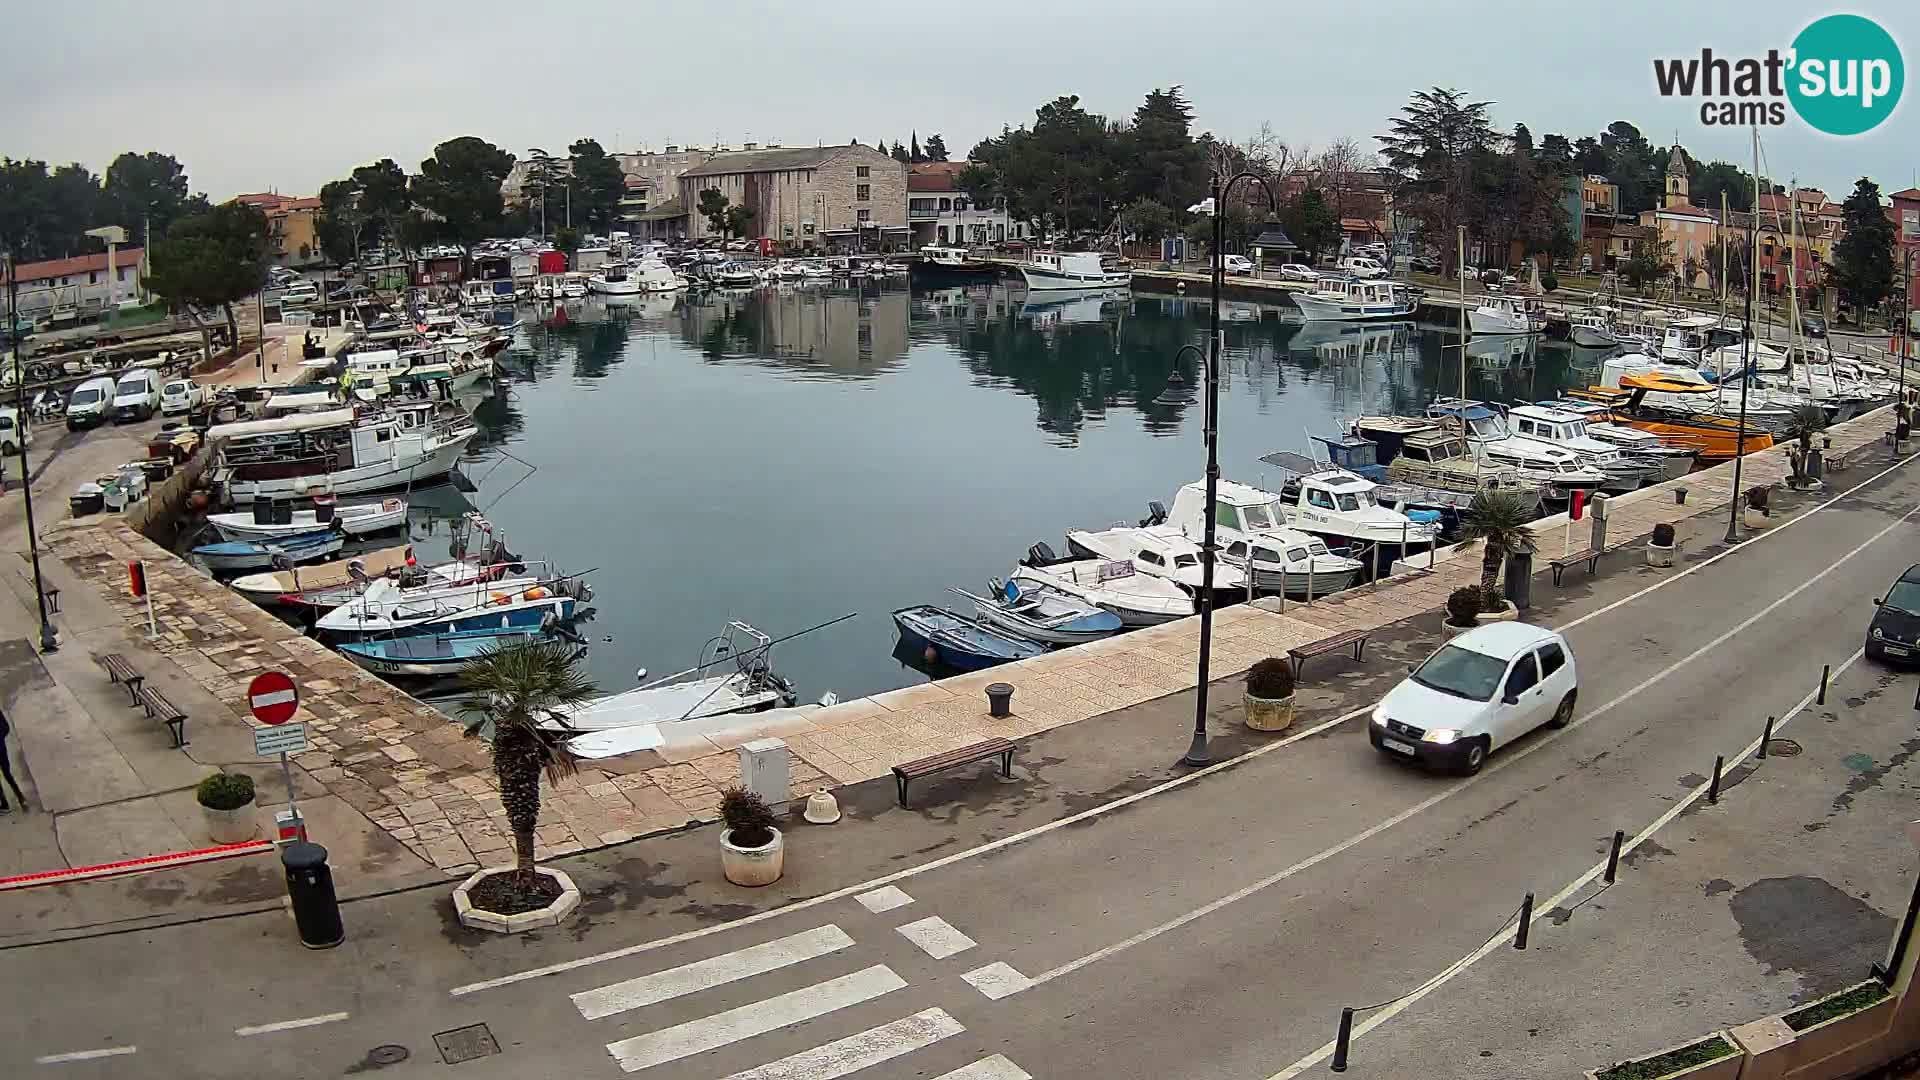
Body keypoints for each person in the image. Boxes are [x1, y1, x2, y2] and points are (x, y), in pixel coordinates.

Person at [0, 704, 26, 813]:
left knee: (6, 774)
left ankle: (5, 804)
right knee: (7, 774)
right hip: (1, 748)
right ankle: (20, 798)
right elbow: (6, 728)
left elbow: (6, 728)